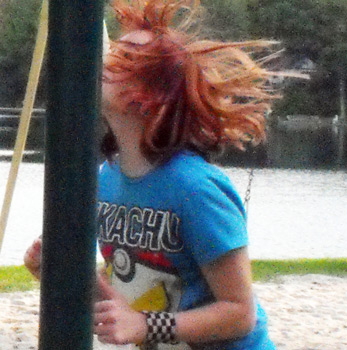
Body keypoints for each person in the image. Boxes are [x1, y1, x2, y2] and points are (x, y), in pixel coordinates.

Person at [24, 0, 278, 349]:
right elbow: (127, 296)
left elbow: (239, 313)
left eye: (125, 59)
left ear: (148, 99)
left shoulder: (195, 188)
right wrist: (59, 271)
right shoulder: (106, 179)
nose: (105, 58)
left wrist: (145, 326)